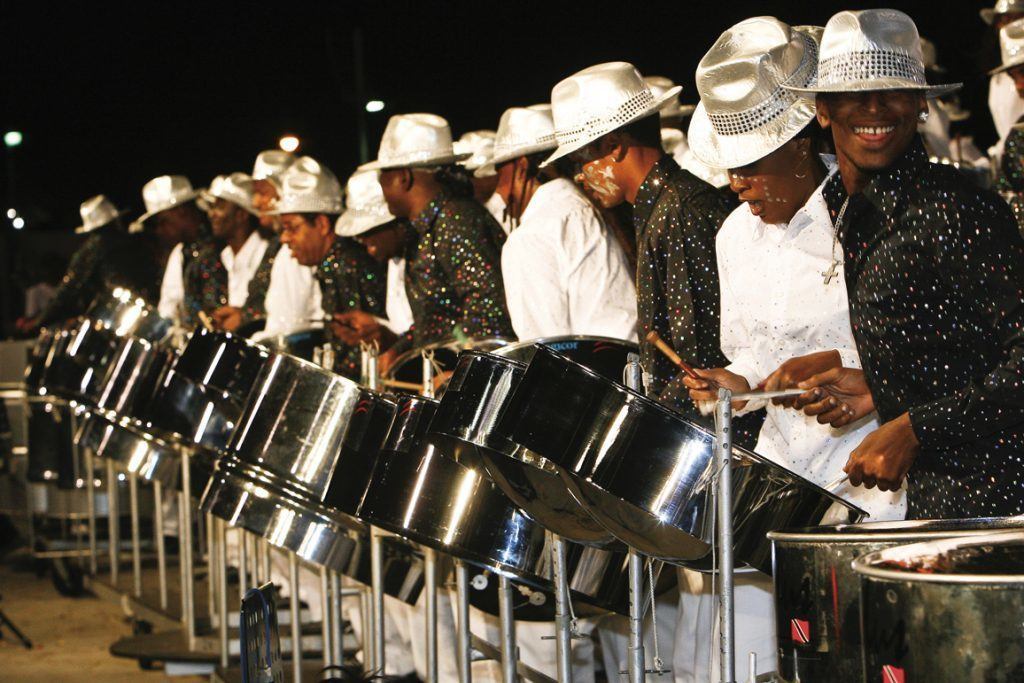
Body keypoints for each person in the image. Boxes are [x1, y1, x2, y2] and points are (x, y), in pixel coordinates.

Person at [786, 9, 1024, 519]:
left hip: (1000, 506)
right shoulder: (850, 213)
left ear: (919, 105)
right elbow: (958, 351)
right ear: (824, 110)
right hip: (938, 506)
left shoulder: (956, 209)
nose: (874, 108)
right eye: (855, 92)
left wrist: (916, 427)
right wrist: (876, 385)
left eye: (892, 90)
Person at [545, 61, 761, 443]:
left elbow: (703, 360)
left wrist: (644, 431)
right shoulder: (658, 208)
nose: (579, 177)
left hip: (718, 439)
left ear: (613, 148)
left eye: (581, 162)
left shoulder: (679, 211)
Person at [365, 113, 514, 373]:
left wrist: (459, 375)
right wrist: (400, 350)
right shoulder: (427, 228)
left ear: (403, 177)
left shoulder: (456, 219)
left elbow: (489, 313)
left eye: (383, 176)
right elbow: (436, 320)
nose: (380, 185)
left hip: (468, 381)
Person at [492, 103, 637, 341]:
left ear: (521, 166)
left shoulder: (530, 237)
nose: (499, 192)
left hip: (596, 371)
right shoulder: (592, 207)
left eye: (501, 175)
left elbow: (545, 343)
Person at [272, 156, 385, 379]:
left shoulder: (346, 265)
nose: (284, 238)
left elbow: (361, 351)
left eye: (292, 228)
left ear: (322, 224)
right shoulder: (333, 265)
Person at [187, 173, 281, 333]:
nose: (211, 214)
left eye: (220, 206)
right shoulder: (222, 257)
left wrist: (245, 316)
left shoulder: (268, 252)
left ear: (241, 215)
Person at [28, 195, 128, 329]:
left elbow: (68, 290)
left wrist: (38, 322)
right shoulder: (133, 242)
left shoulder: (93, 248)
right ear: (116, 220)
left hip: (111, 320)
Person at [137, 175, 208, 324]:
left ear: (181, 211)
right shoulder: (179, 253)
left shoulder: (220, 242)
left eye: (164, 221)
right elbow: (168, 307)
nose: (160, 230)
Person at [993, 19, 1024, 232]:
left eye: (1023, 72)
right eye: (1013, 78)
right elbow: (1004, 196)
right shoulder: (1018, 135)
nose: (1019, 86)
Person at [982, 0, 1024, 157]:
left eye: (1015, 19)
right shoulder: (997, 81)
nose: (1007, 26)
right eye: (1003, 20)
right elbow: (1009, 135)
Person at [454, 129, 506, 229]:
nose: (467, 181)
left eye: (472, 174)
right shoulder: (464, 210)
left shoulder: (511, 208)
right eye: (462, 174)